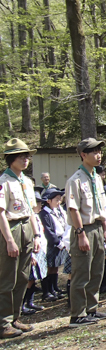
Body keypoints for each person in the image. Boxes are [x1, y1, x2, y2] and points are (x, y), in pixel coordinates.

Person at [64, 138, 106, 327]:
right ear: (83, 155)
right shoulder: (75, 180)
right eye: (94, 152)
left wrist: (105, 228)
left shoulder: (97, 178)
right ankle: (78, 314)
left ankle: (92, 309)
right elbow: (73, 209)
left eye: (99, 152)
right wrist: (80, 233)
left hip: (98, 227)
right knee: (81, 272)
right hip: (84, 229)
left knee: (97, 271)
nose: (98, 155)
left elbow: (101, 206)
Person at [0, 138, 41, 338]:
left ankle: (15, 317)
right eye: (21, 156)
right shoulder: (4, 182)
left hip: (26, 226)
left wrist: (37, 235)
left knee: (23, 276)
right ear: (11, 158)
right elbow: (0, 213)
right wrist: (8, 239)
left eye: (27, 156)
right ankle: (4, 321)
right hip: (11, 227)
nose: (26, 159)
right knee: (8, 277)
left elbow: (32, 211)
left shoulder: (26, 181)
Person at [39, 188, 68, 302]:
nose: (59, 202)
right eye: (56, 199)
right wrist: (57, 242)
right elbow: (48, 230)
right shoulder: (44, 213)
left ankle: (54, 288)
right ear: (48, 201)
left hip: (60, 240)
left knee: (55, 267)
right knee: (48, 267)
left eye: (60, 199)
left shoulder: (57, 210)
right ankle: (47, 291)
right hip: (52, 243)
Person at [22, 192, 46, 316]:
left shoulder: (36, 216)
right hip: (31, 251)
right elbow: (28, 237)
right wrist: (31, 254)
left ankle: (30, 302)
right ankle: (22, 305)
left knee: (34, 278)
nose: (40, 205)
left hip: (39, 249)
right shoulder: (28, 219)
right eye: (38, 202)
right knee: (28, 279)